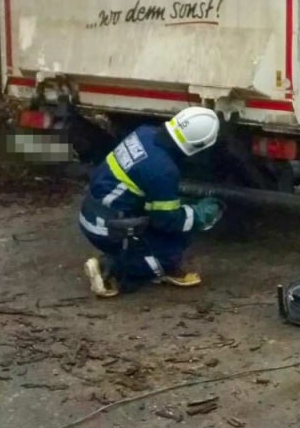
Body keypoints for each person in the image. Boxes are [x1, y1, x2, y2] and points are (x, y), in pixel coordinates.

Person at [79, 106, 226, 298]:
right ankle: (110, 268)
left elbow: (148, 188)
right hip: (106, 228)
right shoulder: (163, 171)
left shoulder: (145, 132)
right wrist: (199, 215)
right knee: (168, 254)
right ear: (198, 146)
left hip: (94, 211)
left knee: (177, 231)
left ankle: (147, 256)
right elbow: (167, 220)